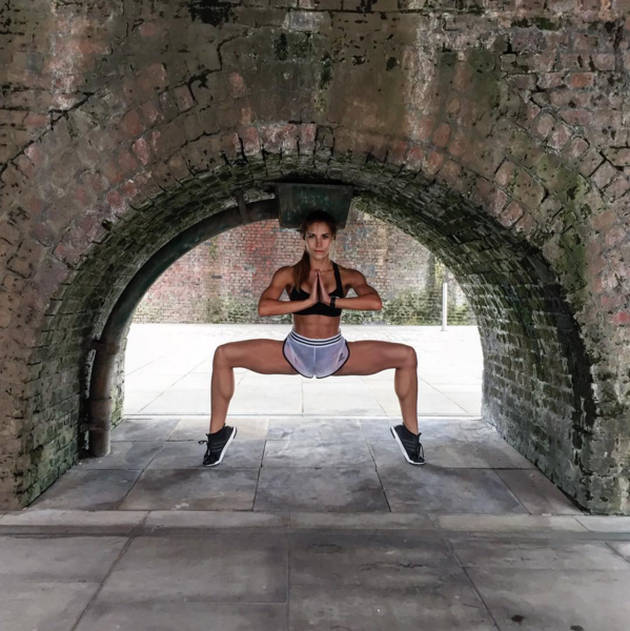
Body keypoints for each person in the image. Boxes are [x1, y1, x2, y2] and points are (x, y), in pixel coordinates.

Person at [200, 210, 425, 467]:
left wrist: (331, 301)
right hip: (294, 352)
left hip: (336, 354)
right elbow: (265, 307)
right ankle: (217, 436)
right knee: (224, 355)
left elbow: (374, 302)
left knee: (407, 356)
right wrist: (307, 302)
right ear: (304, 238)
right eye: (312, 236)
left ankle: (410, 435)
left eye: (325, 237)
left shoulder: (348, 275)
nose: (319, 243)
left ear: (333, 238)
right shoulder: (288, 274)